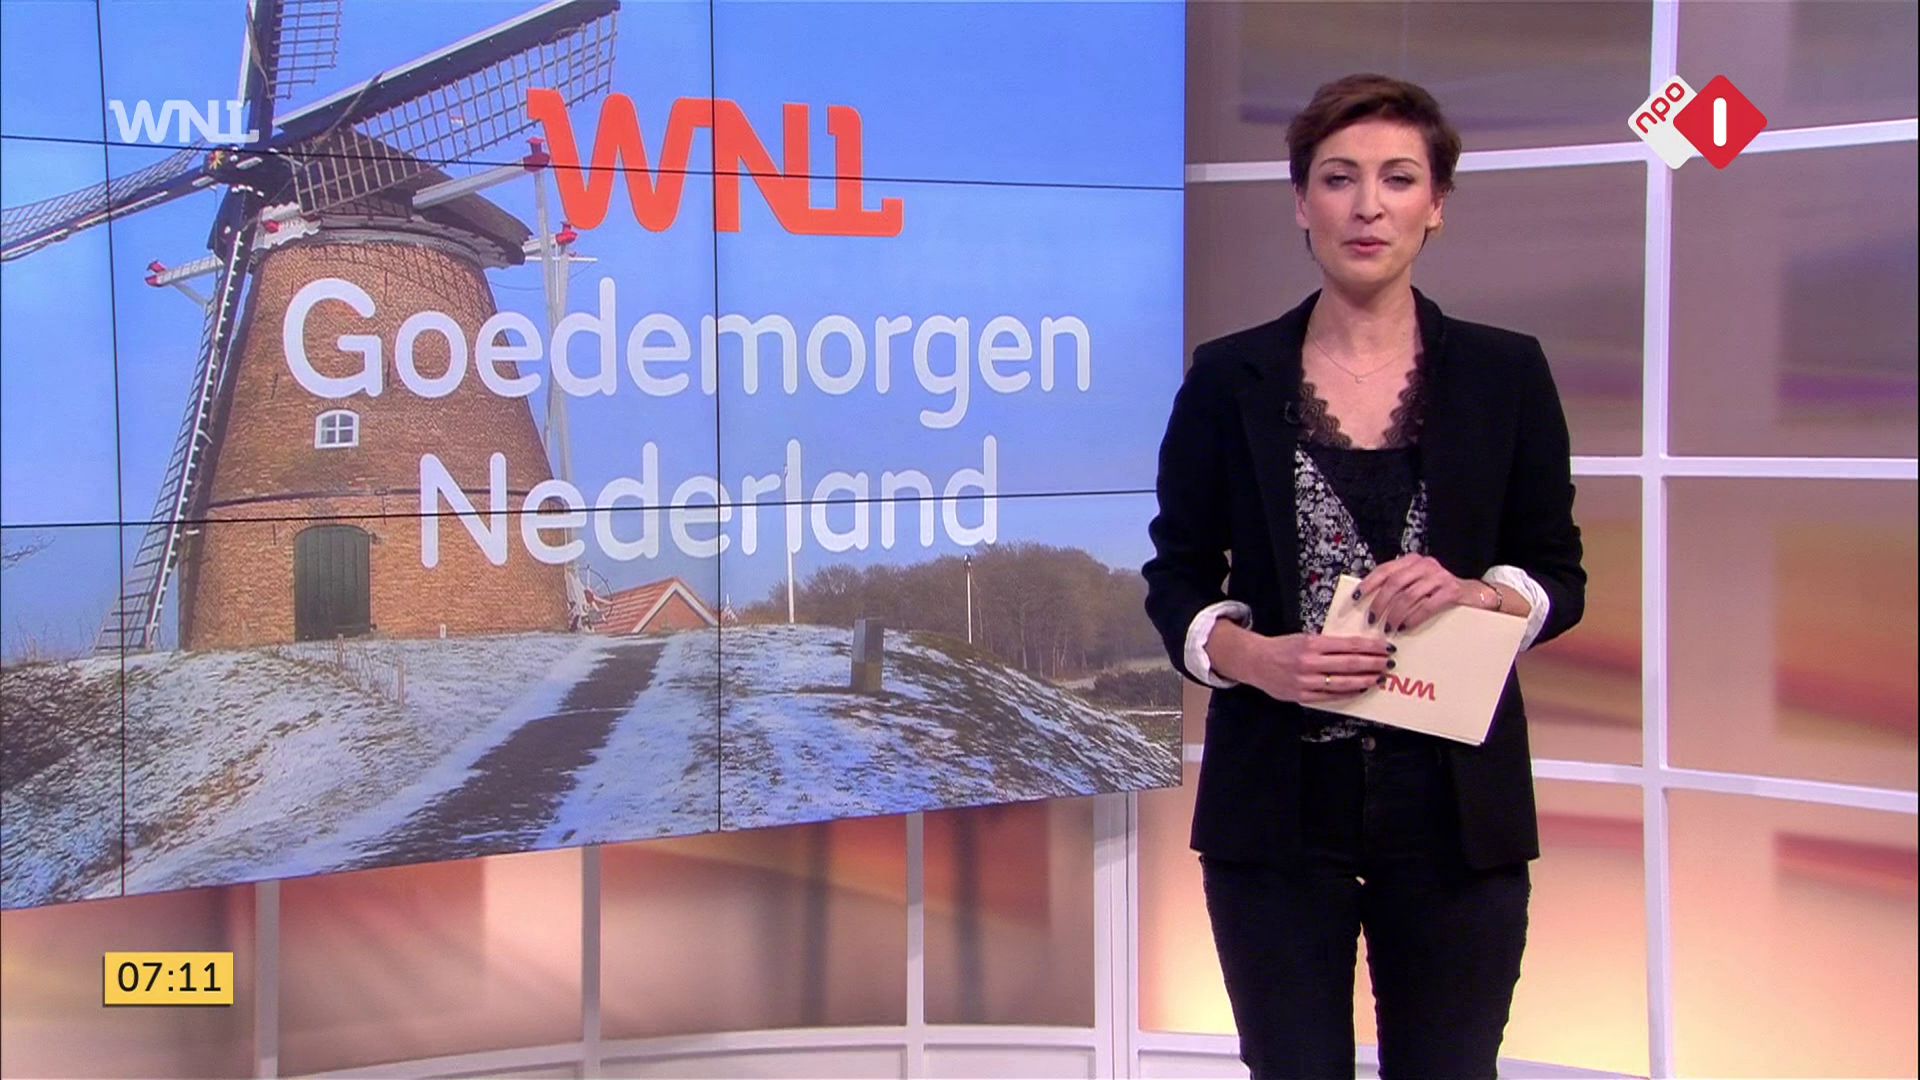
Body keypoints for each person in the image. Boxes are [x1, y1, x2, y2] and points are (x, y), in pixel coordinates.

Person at [1141, 73, 1586, 1079]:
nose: (1368, 206)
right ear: (1302, 204)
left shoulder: (1505, 373)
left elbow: (1559, 570)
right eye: (1339, 179)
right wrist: (1252, 657)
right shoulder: (1229, 376)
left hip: (1455, 810)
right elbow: (1176, 574)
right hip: (1276, 809)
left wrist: (1484, 593)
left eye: (1398, 179)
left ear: (1437, 206)